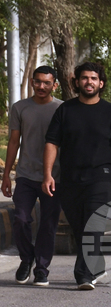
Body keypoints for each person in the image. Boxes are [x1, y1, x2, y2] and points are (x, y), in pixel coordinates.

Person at [42, 62, 111, 290]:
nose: (89, 82)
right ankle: (97, 264)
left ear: (101, 83)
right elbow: (52, 142)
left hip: (100, 178)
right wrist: (48, 174)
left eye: (93, 78)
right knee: (80, 227)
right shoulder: (65, 110)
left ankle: (83, 274)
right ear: (77, 82)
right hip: (70, 180)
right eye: (84, 78)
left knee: (93, 225)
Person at [2, 66, 63, 286]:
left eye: (47, 83)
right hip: (26, 175)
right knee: (21, 219)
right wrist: (7, 175)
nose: (41, 86)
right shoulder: (20, 108)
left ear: (54, 85)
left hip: (54, 177)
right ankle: (26, 259)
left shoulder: (62, 109)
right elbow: (14, 142)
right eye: (37, 82)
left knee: (48, 223)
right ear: (31, 82)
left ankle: (42, 268)